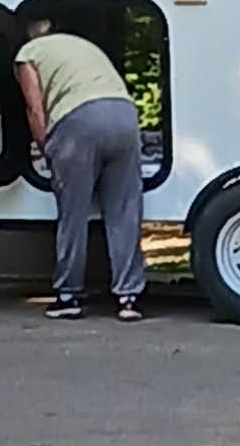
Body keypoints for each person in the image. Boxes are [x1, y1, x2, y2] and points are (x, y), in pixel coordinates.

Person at [14, 19, 148, 321]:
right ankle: (129, 298)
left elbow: (35, 108)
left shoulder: (27, 54)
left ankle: (68, 295)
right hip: (124, 116)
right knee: (124, 209)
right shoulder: (82, 45)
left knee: (73, 213)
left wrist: (46, 147)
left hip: (78, 122)